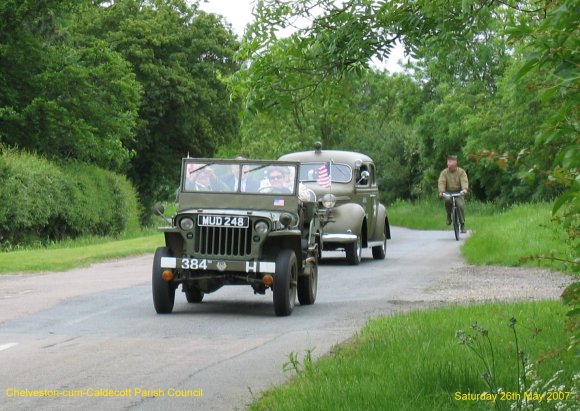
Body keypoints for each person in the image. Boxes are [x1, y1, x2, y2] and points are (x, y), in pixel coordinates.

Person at [438, 155, 469, 233]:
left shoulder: (461, 172)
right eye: (448, 162)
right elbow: (441, 182)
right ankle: (449, 215)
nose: (449, 164)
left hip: (459, 192)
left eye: (450, 162)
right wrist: (441, 191)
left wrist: (465, 189)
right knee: (447, 200)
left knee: (460, 205)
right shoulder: (444, 173)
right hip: (448, 192)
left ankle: (462, 225)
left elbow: (464, 181)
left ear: (455, 163)